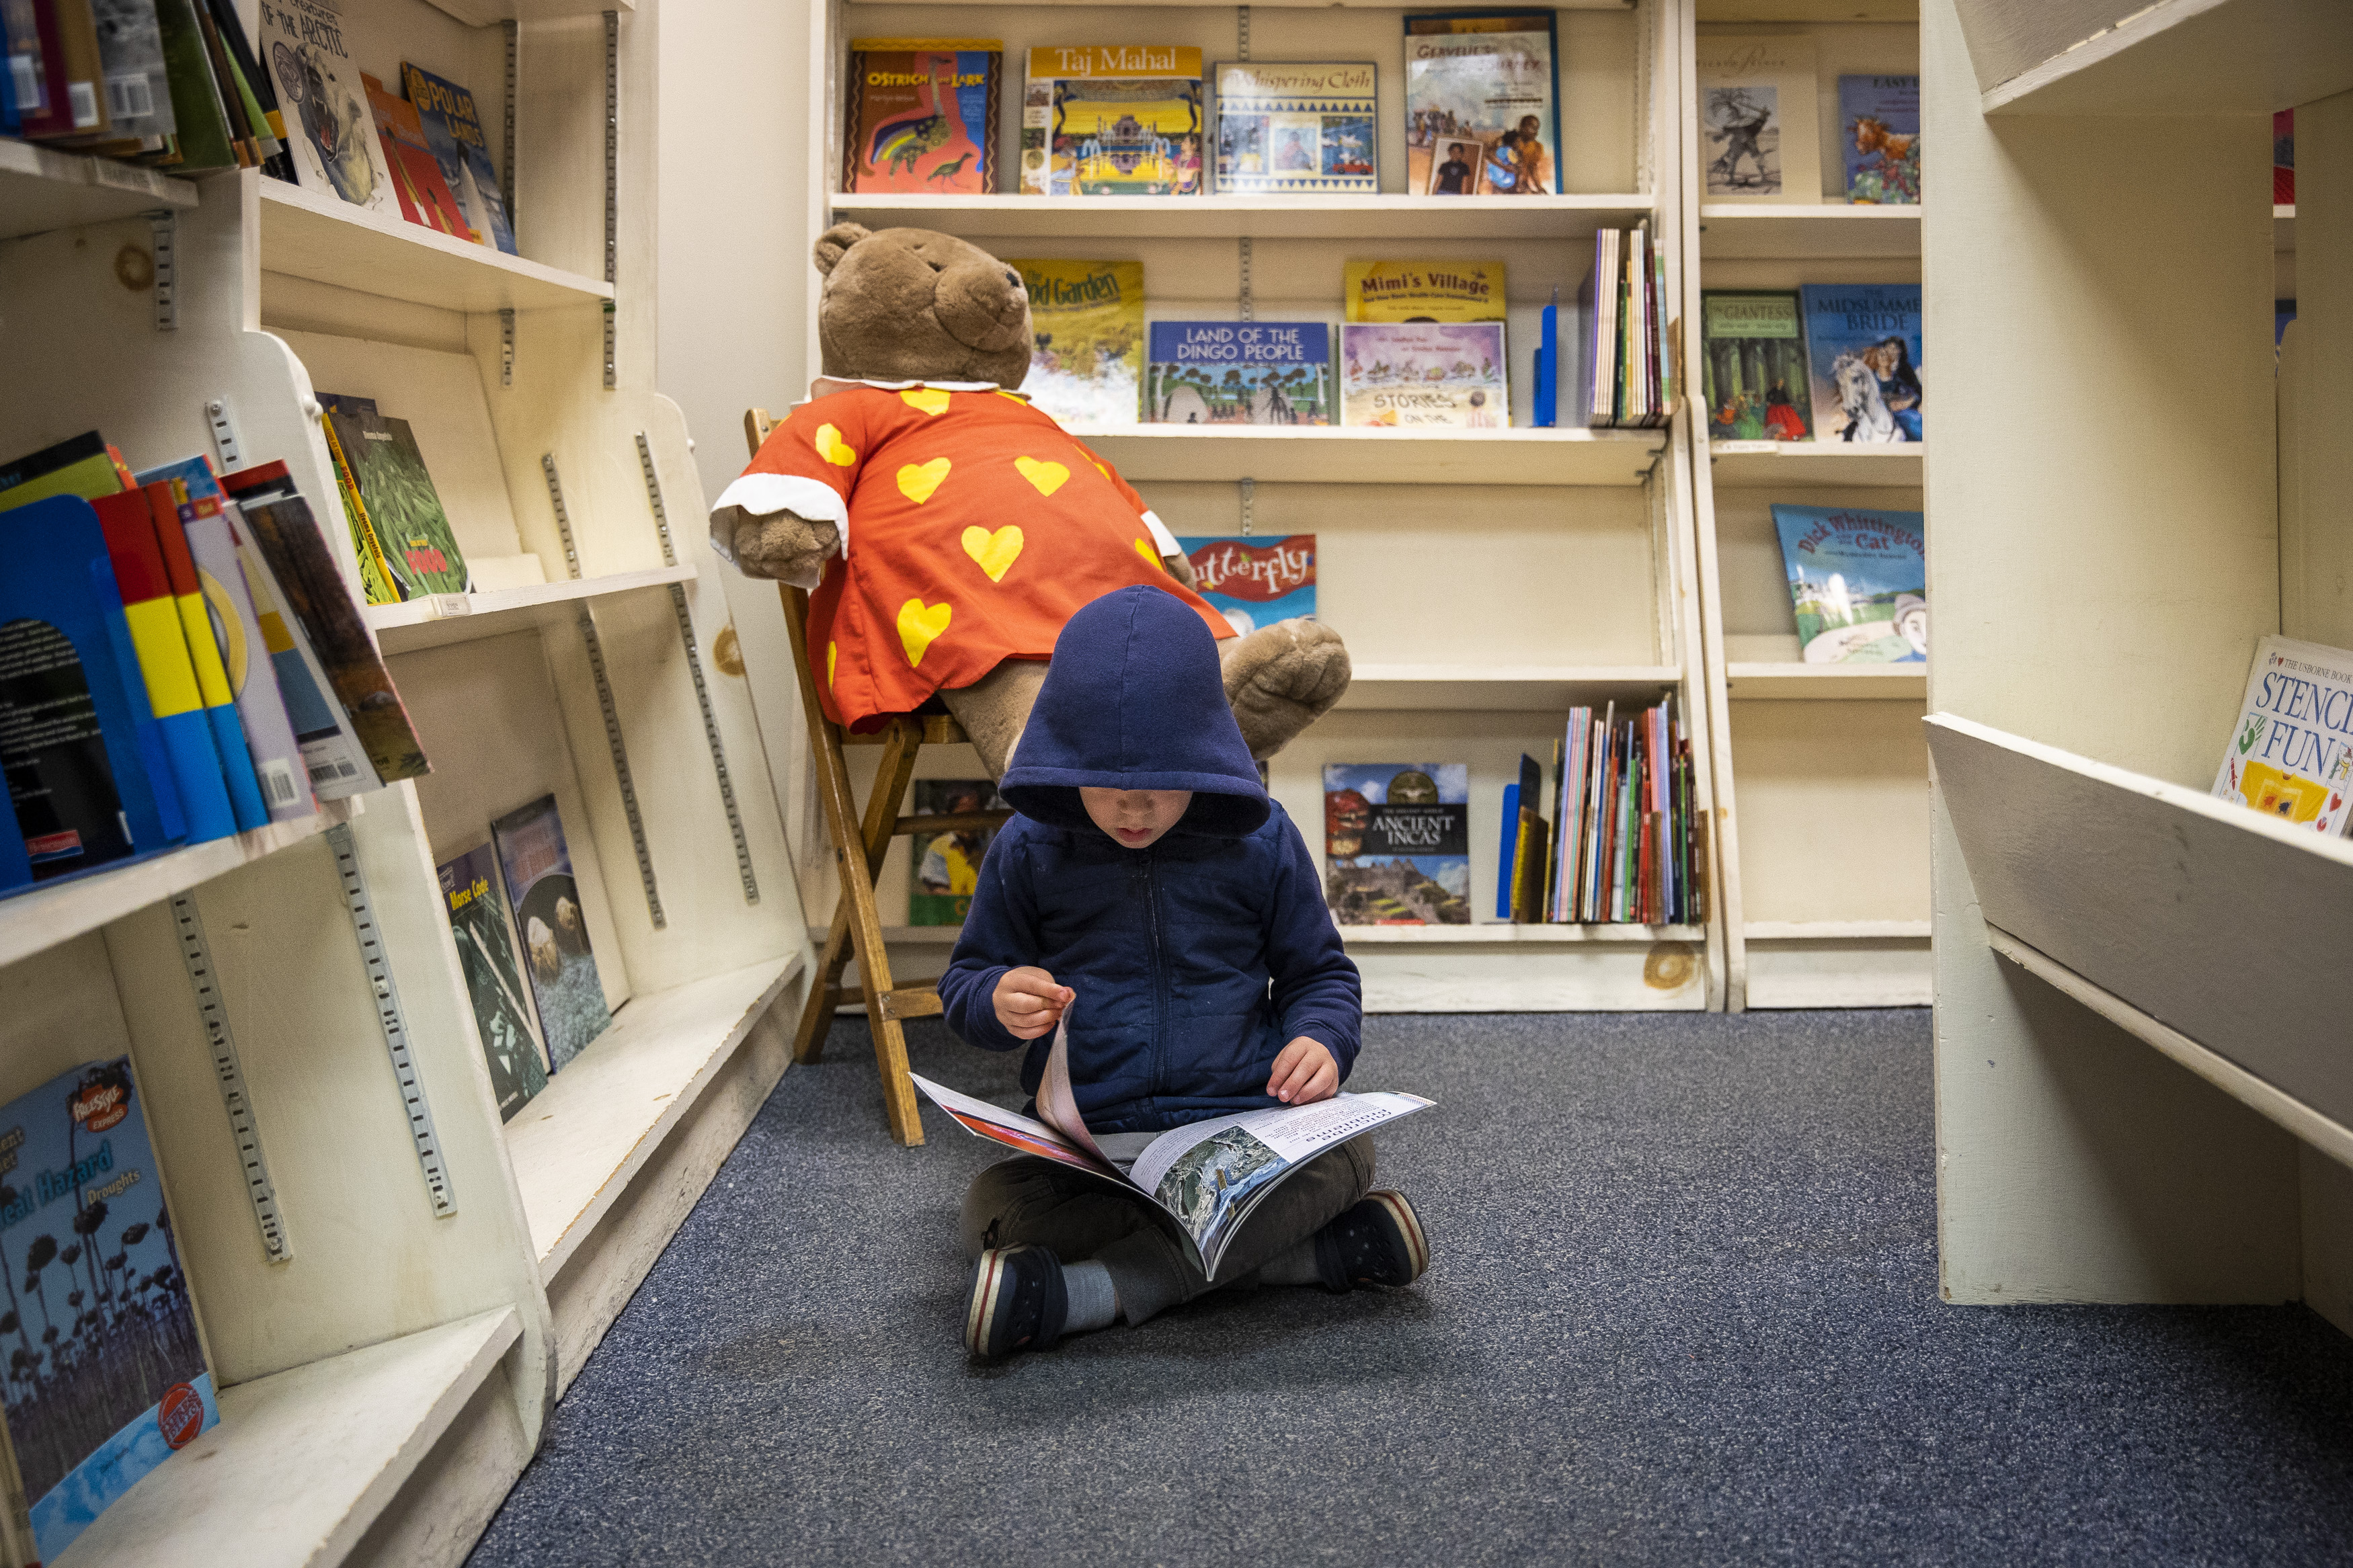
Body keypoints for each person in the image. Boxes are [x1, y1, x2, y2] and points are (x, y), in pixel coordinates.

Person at [939, 586, 1428, 1360]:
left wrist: (1322, 1041)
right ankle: (1300, 1257)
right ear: (1067, 763)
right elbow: (965, 983)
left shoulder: (1261, 839)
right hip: (1096, 1144)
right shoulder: (1030, 844)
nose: (1132, 812)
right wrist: (996, 999)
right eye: (1107, 791)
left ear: (1202, 756)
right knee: (989, 1205)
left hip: (1240, 1131)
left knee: (1347, 1158)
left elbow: (1320, 975)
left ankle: (1089, 1294)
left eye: (1158, 790)